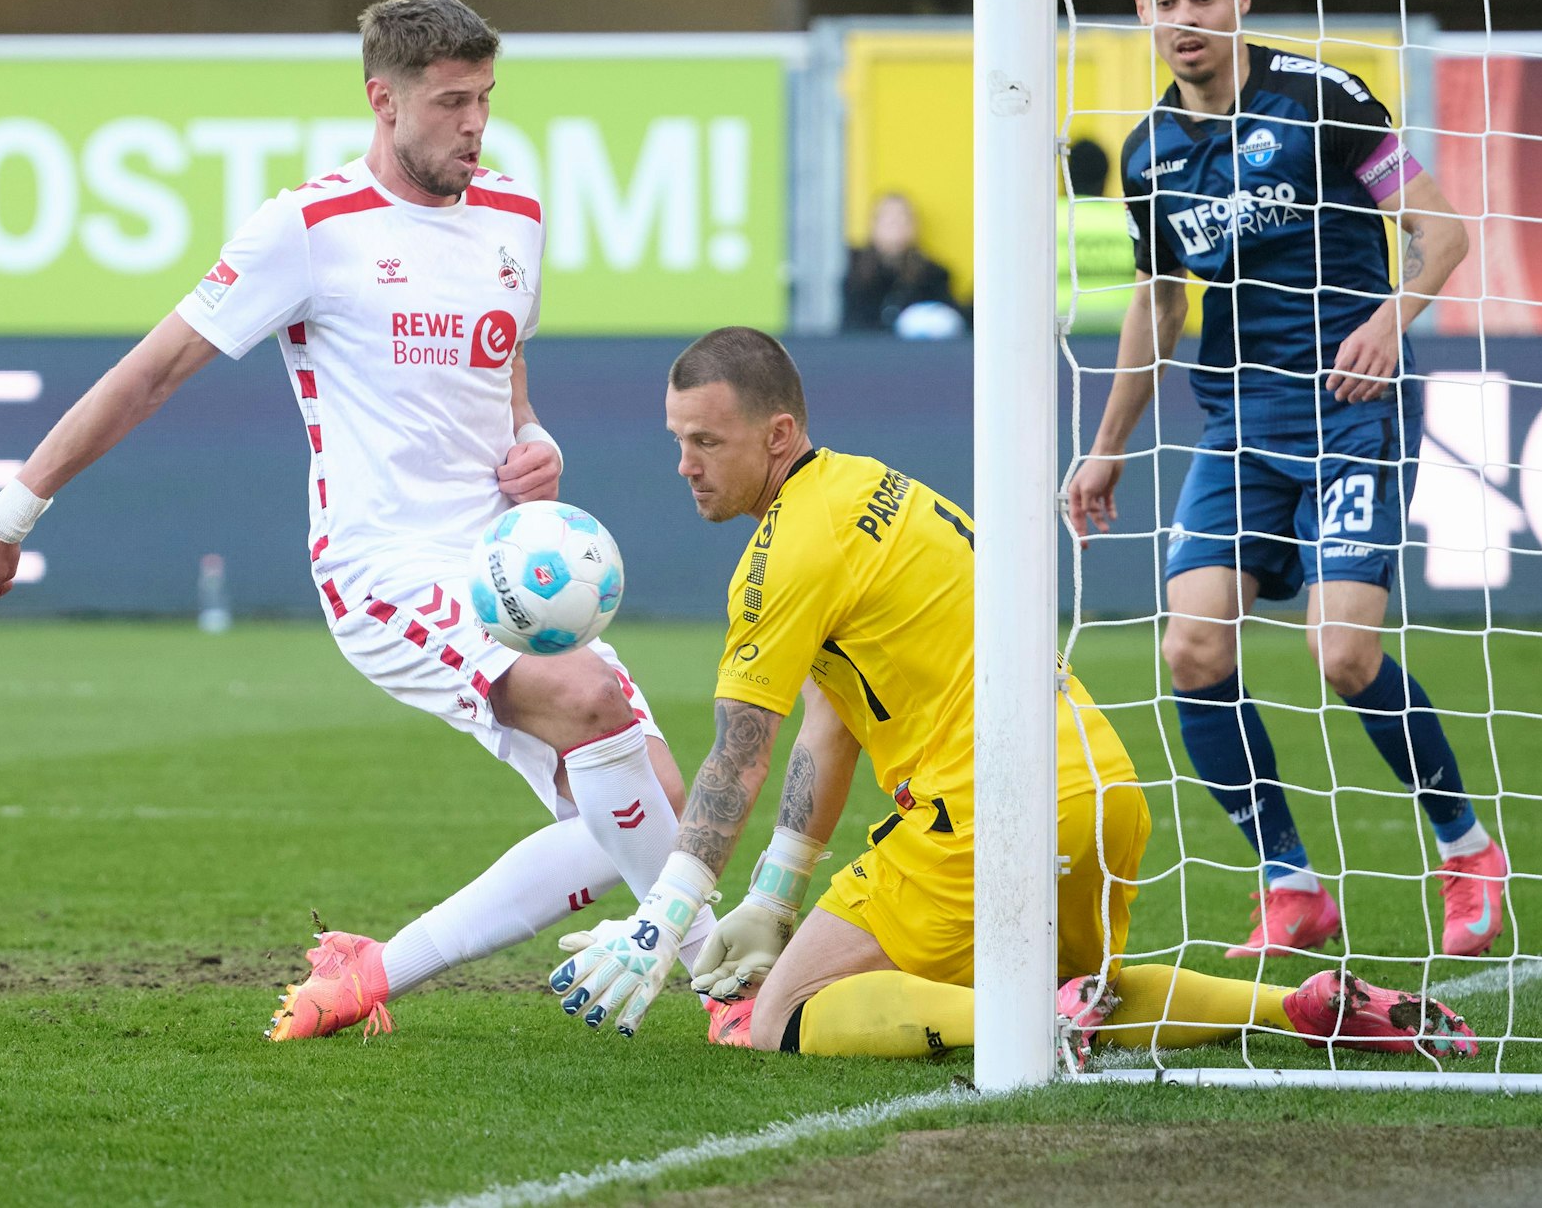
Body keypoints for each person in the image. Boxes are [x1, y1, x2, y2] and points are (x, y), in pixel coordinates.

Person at [0, 0, 715, 1040]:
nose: (474, 124)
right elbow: (152, 372)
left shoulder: (515, 217)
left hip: (500, 559)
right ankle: (727, 980)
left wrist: (533, 436)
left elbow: (505, 371)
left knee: (648, 809)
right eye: (451, 101)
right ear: (383, 99)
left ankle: (370, 974)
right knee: (593, 702)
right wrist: (13, 510)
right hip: (385, 569)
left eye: (485, 99)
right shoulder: (308, 227)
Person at [543, 326, 1477, 1066]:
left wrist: (661, 918)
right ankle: (1306, 1011)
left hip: (980, 818)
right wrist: (777, 895)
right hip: (1097, 789)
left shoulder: (783, 552)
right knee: (1080, 984)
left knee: (781, 1014)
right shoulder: (874, 487)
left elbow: (737, 755)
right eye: (678, 441)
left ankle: (1027, 1026)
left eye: (706, 441)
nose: (684, 464)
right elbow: (833, 721)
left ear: (777, 434)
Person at [1066, 0, 1504, 960]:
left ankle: (1467, 846)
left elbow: (1440, 232)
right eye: (1164, 2)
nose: (1185, 19)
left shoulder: (1325, 99)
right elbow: (1158, 304)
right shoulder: (1148, 154)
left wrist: (1390, 318)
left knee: (1343, 652)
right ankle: (1291, 882)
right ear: (1141, 13)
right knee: (1190, 643)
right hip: (1239, 423)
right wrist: (1107, 443)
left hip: (1349, 411)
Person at [840, 193, 964, 337]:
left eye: (902, 219)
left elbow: (950, 320)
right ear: (873, 225)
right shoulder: (853, 270)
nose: (895, 225)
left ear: (914, 226)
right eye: (888, 219)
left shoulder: (932, 275)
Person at [1056, 138, 1141, 330]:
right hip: (1125, 337)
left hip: (1058, 333)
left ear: (1064, 175)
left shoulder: (1047, 220)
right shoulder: (1129, 218)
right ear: (1106, 175)